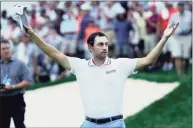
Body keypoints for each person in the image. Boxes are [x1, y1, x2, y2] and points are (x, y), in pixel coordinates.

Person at [24, 20, 179, 127]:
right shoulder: (80, 65)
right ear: (90, 47)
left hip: (115, 124)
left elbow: (148, 60)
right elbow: (54, 53)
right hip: (89, 124)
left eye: (106, 44)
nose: (105, 47)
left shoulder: (120, 64)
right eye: (100, 44)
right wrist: (32, 35)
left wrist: (164, 38)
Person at [0, 39, 33, 128]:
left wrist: (13, 86)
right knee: (3, 125)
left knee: (19, 124)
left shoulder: (20, 64)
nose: (6, 50)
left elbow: (28, 80)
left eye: (8, 48)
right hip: (2, 100)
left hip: (16, 99)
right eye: (3, 49)